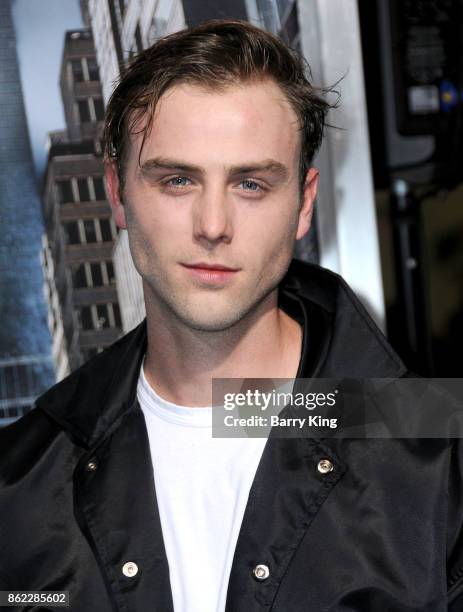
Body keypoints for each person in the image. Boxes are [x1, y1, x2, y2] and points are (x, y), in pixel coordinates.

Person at [1, 19, 463, 612]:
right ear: (117, 193)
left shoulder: (435, 447)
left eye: (250, 183)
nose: (213, 225)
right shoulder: (21, 479)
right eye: (176, 180)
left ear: (303, 204)